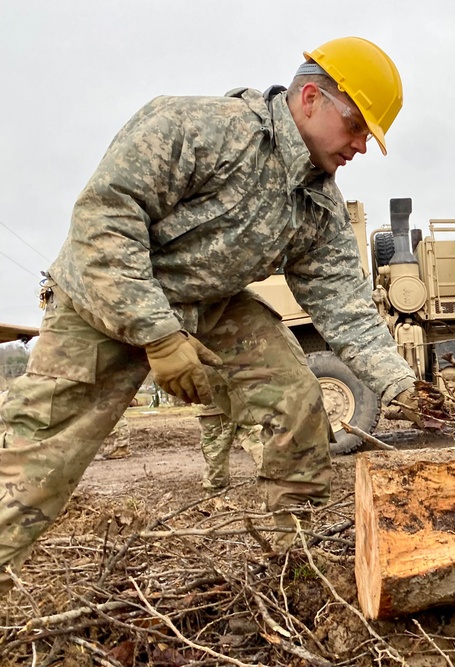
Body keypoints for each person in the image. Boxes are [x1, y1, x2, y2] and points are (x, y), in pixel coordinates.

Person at [0, 36, 425, 594]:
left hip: (209, 307)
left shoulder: (317, 202)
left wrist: (399, 385)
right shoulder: (201, 127)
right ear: (313, 98)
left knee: (295, 399)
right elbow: (105, 219)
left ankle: (296, 570)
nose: (361, 146)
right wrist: (157, 333)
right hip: (101, 301)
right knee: (37, 466)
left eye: (369, 136)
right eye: (356, 127)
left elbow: (344, 303)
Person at [197, 405, 264, 492]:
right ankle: (277, 482)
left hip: (217, 406)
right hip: (242, 402)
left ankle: (215, 494)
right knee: (258, 441)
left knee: (215, 455)